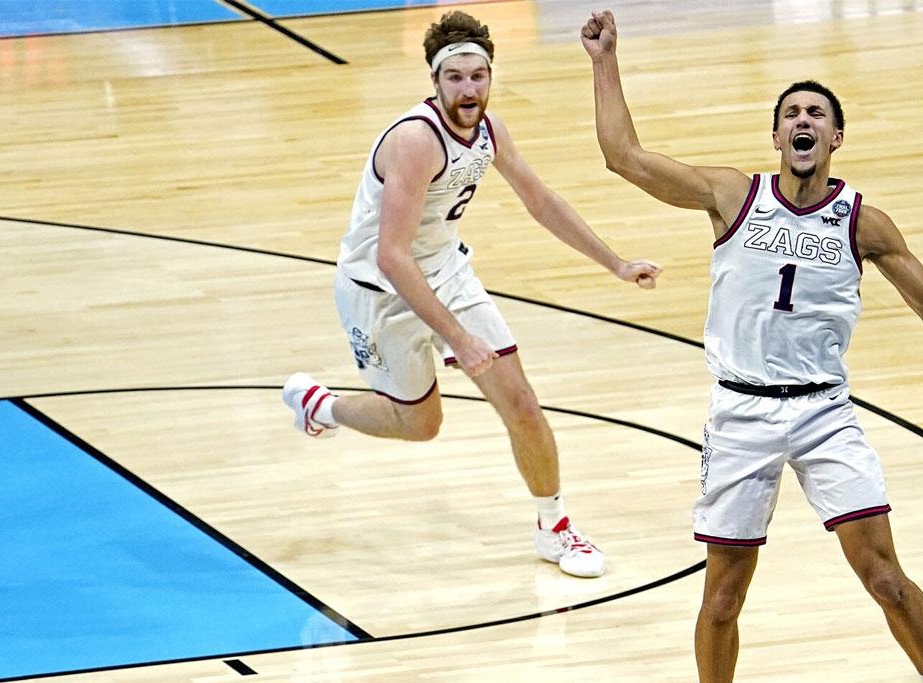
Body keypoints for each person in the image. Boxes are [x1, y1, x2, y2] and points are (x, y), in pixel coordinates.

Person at [581, 10, 923, 683]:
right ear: (775, 135)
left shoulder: (862, 221)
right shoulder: (731, 195)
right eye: (792, 113)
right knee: (721, 600)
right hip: (740, 411)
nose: (803, 121)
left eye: (817, 113)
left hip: (823, 411)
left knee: (885, 578)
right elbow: (623, 158)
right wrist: (606, 61)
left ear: (837, 137)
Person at [283, 11, 660, 579]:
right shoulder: (416, 140)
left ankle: (554, 527)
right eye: (455, 78)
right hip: (379, 292)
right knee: (421, 425)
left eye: (477, 77)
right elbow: (391, 256)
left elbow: (540, 200)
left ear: (490, 76)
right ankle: (322, 406)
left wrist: (615, 262)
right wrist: (459, 339)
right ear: (435, 82)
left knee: (523, 406)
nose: (468, 89)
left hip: (446, 276)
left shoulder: (490, 132)